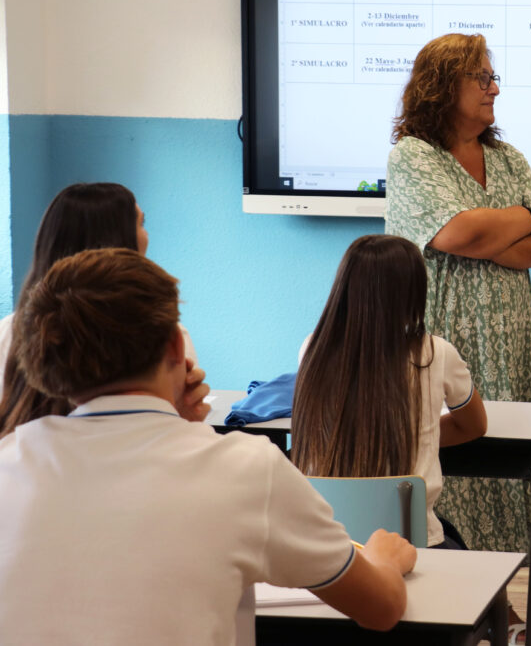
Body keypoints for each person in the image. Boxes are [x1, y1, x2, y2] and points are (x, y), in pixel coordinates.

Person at [0, 248, 416, 645]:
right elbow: (381, 609)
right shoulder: (246, 469)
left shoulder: (9, 461)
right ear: (175, 347)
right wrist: (385, 559)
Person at [385, 33, 531, 564]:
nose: (494, 90)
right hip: (444, 333)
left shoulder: (506, 158)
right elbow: (459, 234)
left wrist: (494, 236)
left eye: (493, 77)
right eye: (482, 78)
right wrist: (521, 219)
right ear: (443, 87)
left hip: (507, 342)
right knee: (448, 468)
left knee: (510, 461)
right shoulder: (413, 157)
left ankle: (504, 601)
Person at [292, 234, 488, 550]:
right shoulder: (435, 354)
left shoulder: (312, 348)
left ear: (343, 288)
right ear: (413, 293)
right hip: (410, 542)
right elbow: (474, 425)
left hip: (327, 542)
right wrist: (417, 435)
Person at [0, 182, 202, 433]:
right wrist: (188, 420)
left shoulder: (8, 332)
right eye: (141, 223)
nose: (146, 235)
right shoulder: (163, 336)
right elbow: (172, 440)